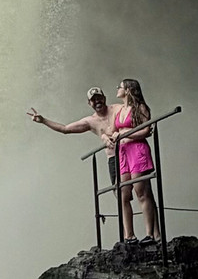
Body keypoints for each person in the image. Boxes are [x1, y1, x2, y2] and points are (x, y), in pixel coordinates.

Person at [28, 87, 119, 184]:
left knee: (136, 185)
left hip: (129, 149)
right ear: (89, 103)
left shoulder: (117, 109)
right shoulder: (90, 121)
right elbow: (65, 129)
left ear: (104, 98)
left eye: (99, 98)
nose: (97, 101)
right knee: (119, 193)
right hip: (113, 157)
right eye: (93, 100)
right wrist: (43, 121)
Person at [108, 78, 160, 246]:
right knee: (123, 193)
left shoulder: (140, 108)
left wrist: (125, 134)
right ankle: (129, 235)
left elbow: (146, 130)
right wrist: (111, 136)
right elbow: (113, 131)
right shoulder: (119, 110)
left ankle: (150, 234)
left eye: (120, 87)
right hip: (123, 152)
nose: (117, 89)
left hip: (137, 150)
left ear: (128, 90)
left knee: (141, 192)